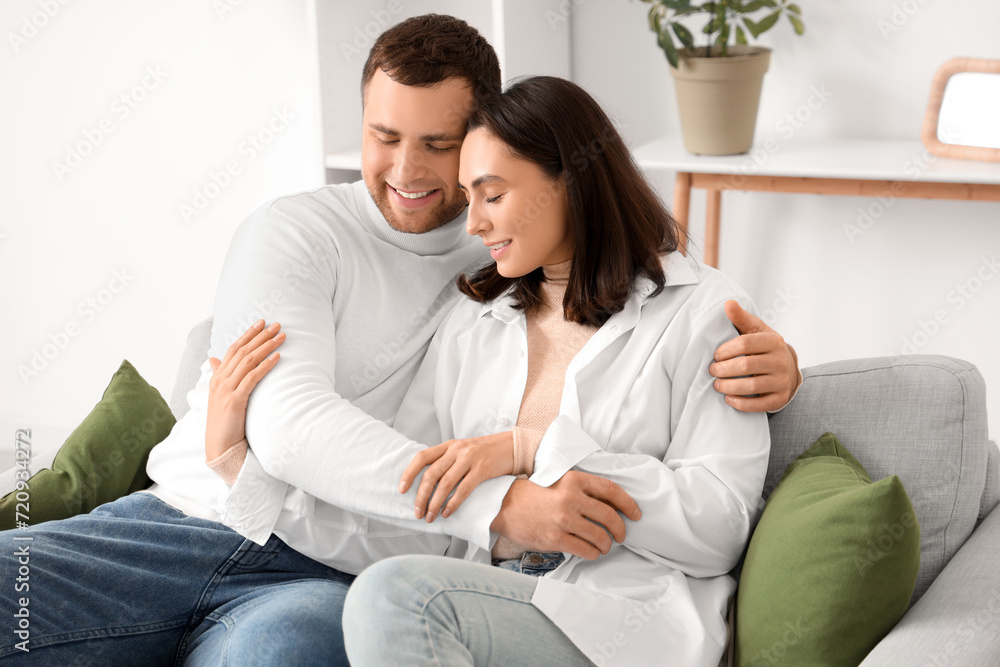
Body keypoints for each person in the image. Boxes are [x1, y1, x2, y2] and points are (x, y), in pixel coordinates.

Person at [0, 14, 796, 666]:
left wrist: (784, 367)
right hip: (198, 520)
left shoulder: (577, 292)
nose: (407, 171)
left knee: (297, 647)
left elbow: (711, 514)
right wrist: (242, 468)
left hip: (385, 584)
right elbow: (317, 443)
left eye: (443, 150)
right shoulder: (430, 291)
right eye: (384, 135)